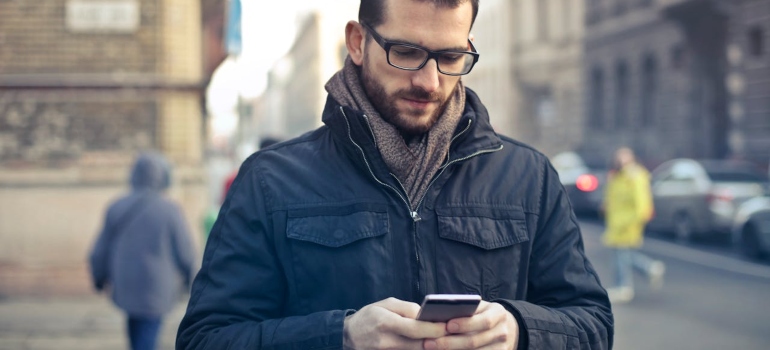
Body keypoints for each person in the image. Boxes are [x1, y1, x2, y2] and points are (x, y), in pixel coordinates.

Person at [177, 1, 613, 349]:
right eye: (406, 52)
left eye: (450, 56)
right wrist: (339, 337)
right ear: (357, 41)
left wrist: (519, 330)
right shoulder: (269, 180)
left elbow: (593, 324)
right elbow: (205, 339)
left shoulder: (528, 175)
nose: (429, 80)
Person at [89, 151, 197, 350]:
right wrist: (192, 281)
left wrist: (98, 277)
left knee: (136, 329)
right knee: (147, 334)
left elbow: (100, 250)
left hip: (126, 283)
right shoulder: (170, 210)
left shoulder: (117, 207)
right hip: (157, 286)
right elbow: (186, 251)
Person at [601, 147, 665, 304]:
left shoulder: (635, 176)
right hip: (616, 222)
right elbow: (612, 198)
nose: (620, 160)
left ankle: (623, 286)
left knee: (621, 255)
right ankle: (650, 268)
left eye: (623, 157)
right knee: (622, 255)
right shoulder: (617, 176)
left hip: (627, 223)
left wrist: (632, 221)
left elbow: (642, 206)